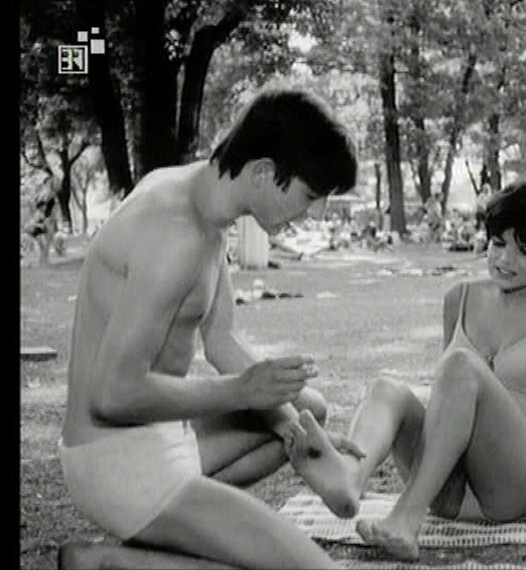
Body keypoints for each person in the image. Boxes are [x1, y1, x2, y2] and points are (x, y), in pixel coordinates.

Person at [57, 86, 366, 570]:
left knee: (307, 411)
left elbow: (220, 340)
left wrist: (300, 435)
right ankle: (113, 564)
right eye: (311, 195)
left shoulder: (204, 203)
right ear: (263, 172)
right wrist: (242, 391)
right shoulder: (175, 234)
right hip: (115, 461)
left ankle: (151, 544)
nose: (318, 212)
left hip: (162, 435)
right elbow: (112, 395)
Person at [300, 170, 526, 561]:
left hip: (521, 482)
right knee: (386, 387)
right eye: (498, 243)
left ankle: (406, 518)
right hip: (451, 490)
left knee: (460, 364)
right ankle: (349, 478)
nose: (504, 259)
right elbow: (449, 403)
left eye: (525, 251)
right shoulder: (459, 298)